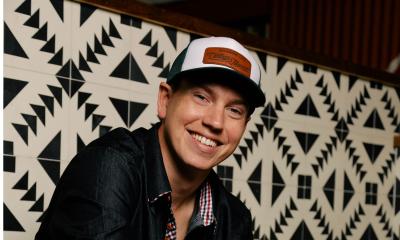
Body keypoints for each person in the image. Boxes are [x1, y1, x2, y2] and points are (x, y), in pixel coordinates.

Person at [35, 36, 266, 240]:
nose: (215, 122)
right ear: (165, 100)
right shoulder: (108, 169)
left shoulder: (235, 220)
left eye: (234, 110)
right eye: (201, 97)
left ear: (244, 125)